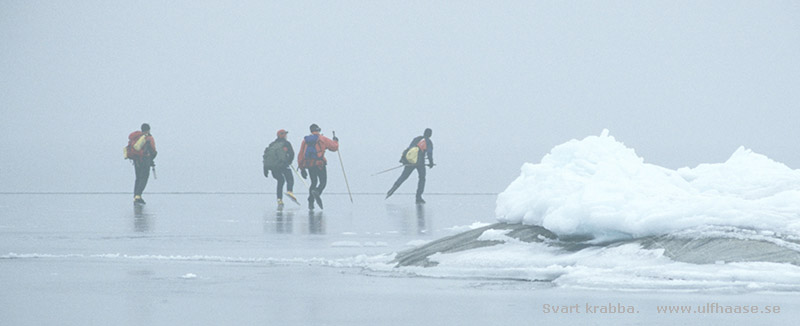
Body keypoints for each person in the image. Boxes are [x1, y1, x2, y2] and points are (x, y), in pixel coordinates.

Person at [386, 128, 434, 204]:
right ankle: (418, 197)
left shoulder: (416, 139)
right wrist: (431, 163)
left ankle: (391, 190)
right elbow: (429, 153)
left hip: (410, 162)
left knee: (403, 176)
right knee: (422, 179)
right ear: (430, 134)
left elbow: (409, 149)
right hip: (420, 163)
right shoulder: (428, 142)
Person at [297, 123, 339, 210]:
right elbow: (334, 147)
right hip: (320, 164)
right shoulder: (322, 139)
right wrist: (335, 141)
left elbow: (301, 154)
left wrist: (302, 168)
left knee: (313, 182)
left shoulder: (305, 141)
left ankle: (311, 203)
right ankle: (317, 192)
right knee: (323, 182)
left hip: (309, 164)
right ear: (318, 130)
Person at [263, 129, 297, 206]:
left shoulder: (272, 144)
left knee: (280, 181)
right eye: (285, 134)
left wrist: (265, 169)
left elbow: (266, 156)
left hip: (273, 167)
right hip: (283, 165)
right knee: (289, 178)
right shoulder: (286, 144)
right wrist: (289, 161)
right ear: (283, 135)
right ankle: (289, 191)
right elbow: (291, 154)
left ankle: (279, 199)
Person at [127, 123, 157, 205]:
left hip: (136, 160)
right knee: (144, 178)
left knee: (138, 178)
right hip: (145, 159)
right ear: (148, 129)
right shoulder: (148, 137)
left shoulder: (136, 137)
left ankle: (136, 196)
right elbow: (153, 149)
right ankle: (138, 196)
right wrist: (152, 158)